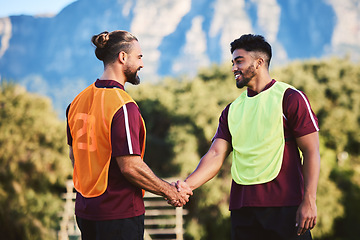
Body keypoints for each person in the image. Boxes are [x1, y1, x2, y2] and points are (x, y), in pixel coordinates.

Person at [176, 34, 320, 240]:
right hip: (243, 210)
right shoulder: (231, 110)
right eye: (233, 62)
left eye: (239, 61)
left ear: (259, 62)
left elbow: (312, 151)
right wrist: (187, 186)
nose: (234, 67)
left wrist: (310, 200)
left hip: (286, 207)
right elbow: (216, 154)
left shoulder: (290, 98)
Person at [66, 30, 192, 240]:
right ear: (122, 57)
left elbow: (74, 157)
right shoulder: (123, 106)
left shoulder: (76, 101)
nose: (142, 64)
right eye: (139, 57)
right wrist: (170, 192)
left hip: (85, 212)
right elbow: (130, 167)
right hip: (118, 215)